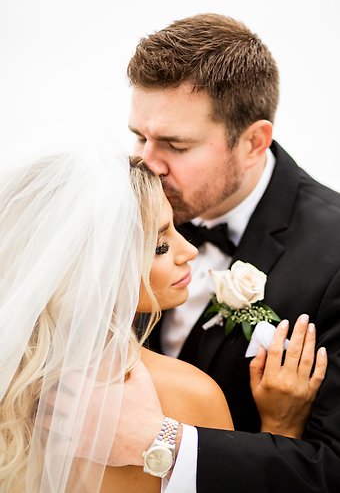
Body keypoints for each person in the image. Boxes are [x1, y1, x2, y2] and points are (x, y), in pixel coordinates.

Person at [0, 151, 324, 493]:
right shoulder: (189, 396)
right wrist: (281, 426)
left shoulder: (11, 384)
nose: (189, 251)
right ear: (97, 267)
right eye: (160, 245)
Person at [123, 13, 340, 491]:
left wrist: (168, 443)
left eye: (176, 145)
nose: (147, 163)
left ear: (253, 142)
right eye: (140, 136)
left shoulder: (334, 258)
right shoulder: (118, 214)